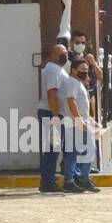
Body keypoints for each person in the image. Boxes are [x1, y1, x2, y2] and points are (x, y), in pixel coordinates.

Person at [61, 56, 101, 194]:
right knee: (82, 151)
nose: (85, 72)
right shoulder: (72, 83)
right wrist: (79, 120)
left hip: (80, 122)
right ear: (73, 70)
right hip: (75, 124)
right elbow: (71, 102)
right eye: (82, 70)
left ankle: (78, 179)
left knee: (79, 151)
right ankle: (75, 180)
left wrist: (88, 119)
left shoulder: (77, 83)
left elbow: (79, 104)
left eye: (86, 70)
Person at [37, 43, 69, 194]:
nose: (64, 56)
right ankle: (47, 182)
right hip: (51, 113)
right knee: (52, 149)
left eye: (65, 53)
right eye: (60, 53)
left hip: (53, 113)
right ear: (53, 55)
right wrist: (56, 115)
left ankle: (48, 180)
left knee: (53, 149)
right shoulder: (53, 69)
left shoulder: (57, 69)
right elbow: (52, 93)